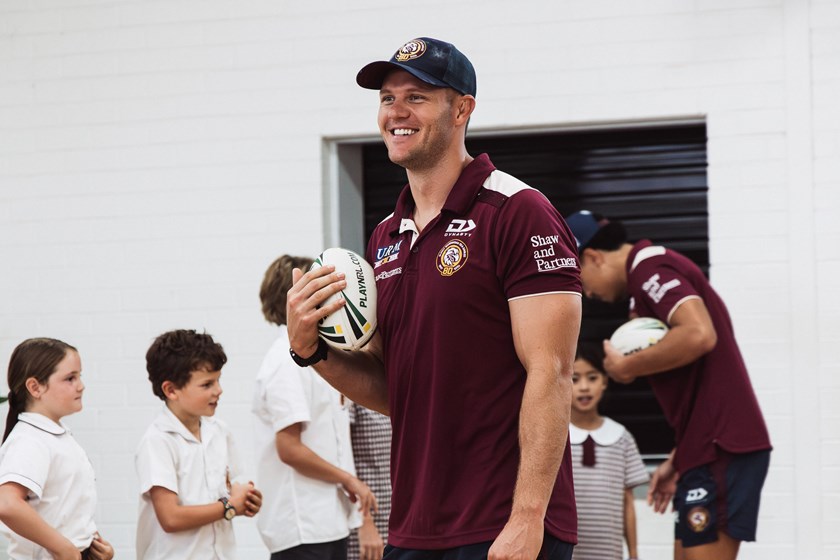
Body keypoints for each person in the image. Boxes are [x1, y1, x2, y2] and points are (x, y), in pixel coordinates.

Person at [286, 37, 582, 560]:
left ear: (462, 109)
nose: (396, 112)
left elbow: (552, 371)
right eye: (386, 98)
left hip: (500, 524)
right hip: (414, 528)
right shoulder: (384, 237)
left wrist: (528, 516)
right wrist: (312, 352)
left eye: (417, 97)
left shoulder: (518, 211)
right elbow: (395, 391)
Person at [565, 210, 772, 560]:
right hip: (703, 446)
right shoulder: (644, 279)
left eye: (579, 279)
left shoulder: (649, 270)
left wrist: (626, 367)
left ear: (593, 257)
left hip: (722, 444)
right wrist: (679, 458)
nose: (586, 292)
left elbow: (699, 333)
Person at [253, 255, 375, 560]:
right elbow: (289, 447)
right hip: (301, 527)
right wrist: (349, 480)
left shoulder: (315, 355)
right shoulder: (284, 360)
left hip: (328, 521)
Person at [135, 329, 262, 560]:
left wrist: (246, 500)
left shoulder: (219, 431)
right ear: (171, 390)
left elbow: (230, 490)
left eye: (218, 380)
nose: (218, 390)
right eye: (207, 384)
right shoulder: (158, 441)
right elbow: (170, 518)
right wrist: (229, 506)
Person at [0, 337, 115, 560]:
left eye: (80, 376)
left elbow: (65, 506)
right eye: (70, 378)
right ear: (35, 387)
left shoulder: (57, 436)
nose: (81, 385)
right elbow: (6, 503)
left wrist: (93, 544)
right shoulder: (29, 440)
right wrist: (64, 549)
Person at [569, 341, 648, 560]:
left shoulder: (621, 437)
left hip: (608, 552)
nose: (584, 387)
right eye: (574, 379)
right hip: (565, 551)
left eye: (592, 378)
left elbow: (628, 501)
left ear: (604, 381)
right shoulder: (555, 437)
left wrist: (633, 553)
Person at [347, 402, 392, 560]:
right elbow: (342, 458)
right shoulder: (351, 398)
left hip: (390, 516)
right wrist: (364, 521)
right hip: (361, 519)